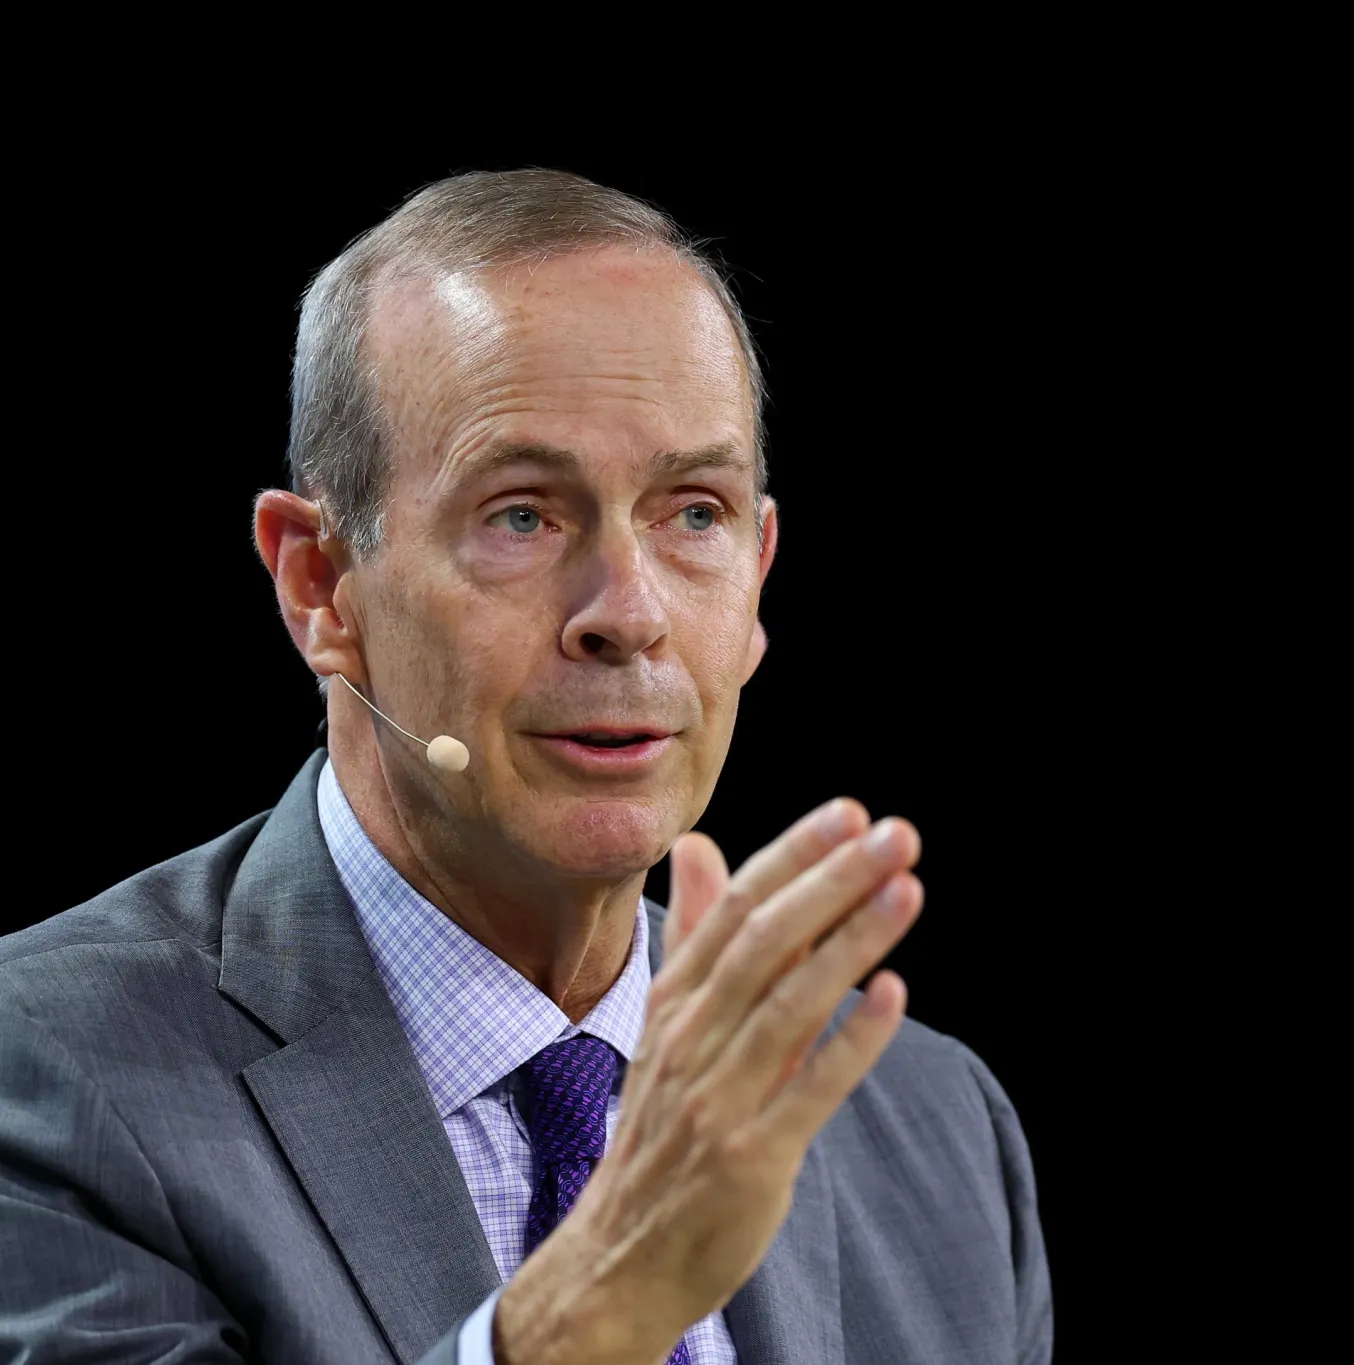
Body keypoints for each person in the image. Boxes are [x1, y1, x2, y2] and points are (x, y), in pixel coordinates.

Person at [0, 169, 1052, 1364]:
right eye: (522, 515)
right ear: (319, 585)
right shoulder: (49, 1073)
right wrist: (592, 1316)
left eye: (692, 514)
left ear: (758, 576)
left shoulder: (932, 1126)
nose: (628, 614)